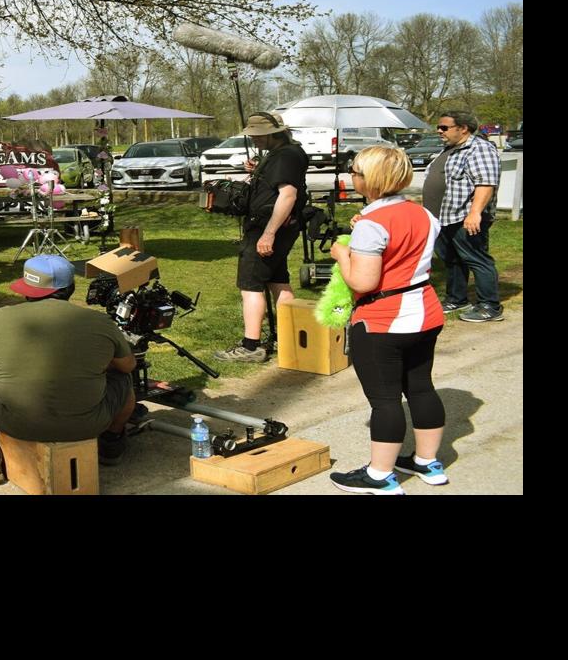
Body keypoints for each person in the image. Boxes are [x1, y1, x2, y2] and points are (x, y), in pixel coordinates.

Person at [326, 146, 449, 496]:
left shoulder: (371, 224)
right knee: (421, 387)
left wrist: (342, 253)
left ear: (370, 179)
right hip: (425, 312)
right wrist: (365, 222)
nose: (352, 175)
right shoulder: (423, 213)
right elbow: (404, 240)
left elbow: (362, 282)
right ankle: (427, 462)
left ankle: (379, 476)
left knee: (385, 401)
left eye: (356, 171)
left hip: (383, 320)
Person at [0, 253, 137, 485]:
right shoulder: (100, 321)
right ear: (71, 288)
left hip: (16, 423)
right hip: (89, 423)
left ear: (27, 289)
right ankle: (112, 443)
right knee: (124, 381)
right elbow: (128, 366)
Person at [213, 111, 307, 363]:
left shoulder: (285, 156)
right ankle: (290, 336)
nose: (254, 139)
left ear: (274, 134)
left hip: (267, 227)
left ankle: (251, 346)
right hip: (279, 226)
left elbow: (288, 195)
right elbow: (279, 184)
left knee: (250, 285)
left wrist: (268, 234)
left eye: (258, 135)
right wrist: (260, 171)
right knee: (278, 280)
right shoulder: (287, 153)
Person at [423, 110, 505, 322]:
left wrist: (475, 213)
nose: (439, 131)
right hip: (443, 217)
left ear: (463, 128)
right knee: (452, 260)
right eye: (438, 127)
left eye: (444, 127)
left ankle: (490, 306)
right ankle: (456, 299)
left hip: (465, 217)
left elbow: (486, 183)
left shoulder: (480, 149)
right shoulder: (449, 149)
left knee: (477, 259)